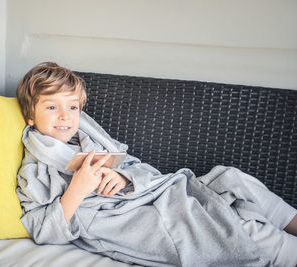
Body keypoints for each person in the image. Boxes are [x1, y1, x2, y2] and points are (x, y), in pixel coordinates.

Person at [16, 62, 297, 267]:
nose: (65, 116)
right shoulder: (35, 171)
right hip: (132, 221)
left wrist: (125, 178)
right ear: (31, 116)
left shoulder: (89, 140)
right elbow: (42, 231)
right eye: (52, 107)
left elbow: (137, 165)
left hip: (151, 191)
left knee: (231, 178)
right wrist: (76, 190)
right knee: (232, 225)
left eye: (73, 107)